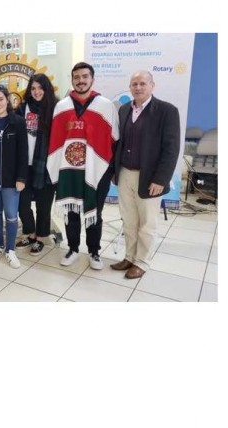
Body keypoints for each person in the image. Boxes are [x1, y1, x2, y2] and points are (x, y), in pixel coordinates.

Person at [47, 62, 118, 270]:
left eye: (85, 76)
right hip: (68, 170)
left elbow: (114, 140)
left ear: (92, 79)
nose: (81, 81)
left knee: (95, 212)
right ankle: (73, 249)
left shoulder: (105, 105)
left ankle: (94, 252)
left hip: (97, 171)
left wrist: (111, 170)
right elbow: (55, 142)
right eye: (76, 77)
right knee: (71, 211)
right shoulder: (62, 106)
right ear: (72, 80)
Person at [111, 71, 181, 278]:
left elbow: (171, 149)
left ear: (152, 85)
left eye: (142, 83)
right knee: (129, 220)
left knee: (147, 223)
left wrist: (161, 179)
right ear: (130, 87)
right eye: (134, 84)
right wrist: (115, 171)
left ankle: (142, 262)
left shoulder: (167, 111)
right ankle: (129, 257)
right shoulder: (124, 109)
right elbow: (118, 143)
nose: (138, 87)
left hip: (150, 177)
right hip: (125, 173)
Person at [0, 84, 28, 269]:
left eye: (1, 99)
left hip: (10, 177)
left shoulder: (17, 122)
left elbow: (23, 152)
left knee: (11, 214)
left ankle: (10, 249)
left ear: (7, 99)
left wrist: (21, 178)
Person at [15, 74, 58, 255]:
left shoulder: (55, 109)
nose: (36, 92)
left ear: (47, 89)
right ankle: (30, 233)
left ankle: (40, 237)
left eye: (40, 88)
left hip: (45, 166)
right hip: (24, 165)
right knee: (22, 204)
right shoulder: (22, 108)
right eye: (33, 88)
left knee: (43, 205)